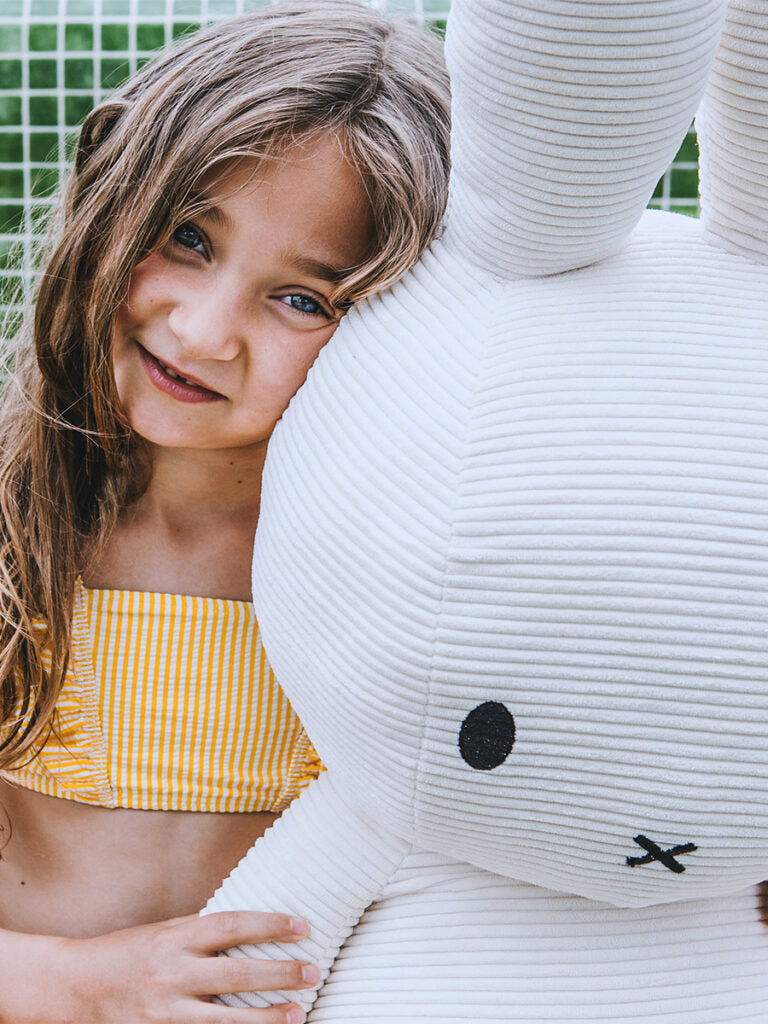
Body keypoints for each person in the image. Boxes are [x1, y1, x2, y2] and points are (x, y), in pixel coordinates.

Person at [0, 3, 450, 1020]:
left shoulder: (416, 573)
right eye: (188, 236)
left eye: (304, 299)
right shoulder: (15, 533)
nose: (202, 333)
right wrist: (88, 986)